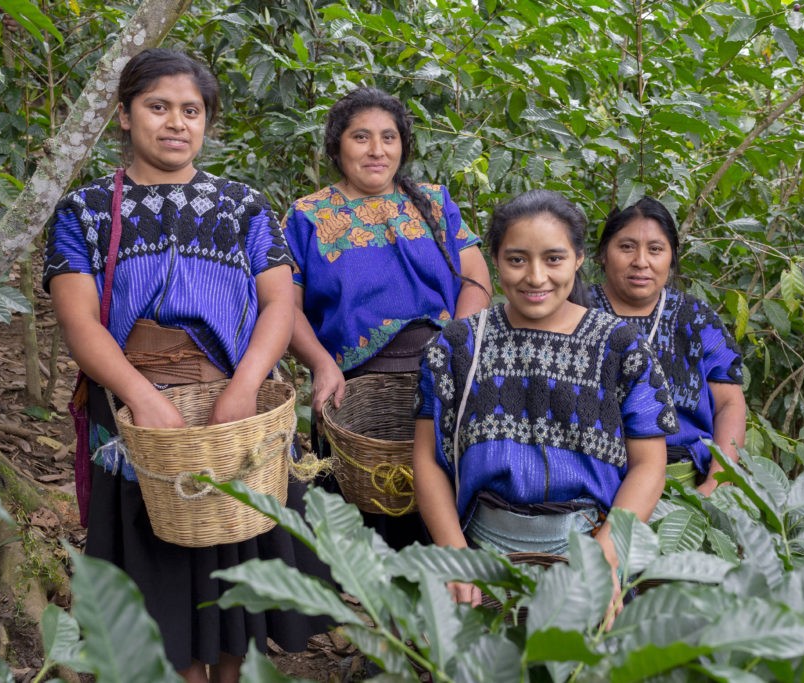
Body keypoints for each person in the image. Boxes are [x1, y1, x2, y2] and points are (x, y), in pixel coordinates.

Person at [43, 48, 324, 681]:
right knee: (159, 577)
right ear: (124, 115)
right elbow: (79, 321)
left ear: (207, 123)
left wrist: (245, 386)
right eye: (158, 107)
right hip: (131, 417)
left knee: (234, 558)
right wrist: (140, 396)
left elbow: (279, 302)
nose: (175, 122)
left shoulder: (244, 207)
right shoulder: (85, 212)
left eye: (191, 111)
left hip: (233, 413)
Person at [412, 189, 677, 609]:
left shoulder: (621, 349)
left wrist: (604, 558)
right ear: (495, 261)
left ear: (579, 259)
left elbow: (649, 465)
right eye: (517, 259)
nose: (536, 277)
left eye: (553, 258)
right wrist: (454, 553)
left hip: (589, 547)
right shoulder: (456, 346)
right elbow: (426, 458)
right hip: (479, 552)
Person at [282, 86, 492, 549]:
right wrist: (321, 365)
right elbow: (285, 309)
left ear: (403, 145)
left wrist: (456, 344)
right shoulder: (307, 216)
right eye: (361, 137)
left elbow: (476, 279)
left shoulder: (434, 202)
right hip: (352, 387)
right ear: (337, 146)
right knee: (361, 529)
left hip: (442, 371)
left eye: (389, 138)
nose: (377, 150)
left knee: (443, 514)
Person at [589, 196, 747, 496]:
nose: (641, 261)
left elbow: (729, 404)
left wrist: (717, 483)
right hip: (594, 485)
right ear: (602, 255)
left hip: (684, 485)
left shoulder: (696, 319)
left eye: (655, 249)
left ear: (671, 257)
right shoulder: (576, 311)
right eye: (626, 247)